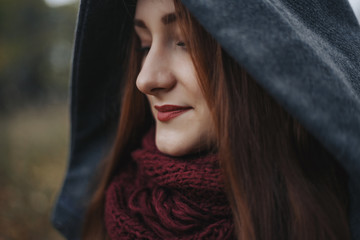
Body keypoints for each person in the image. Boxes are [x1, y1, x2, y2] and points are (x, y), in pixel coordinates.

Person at [52, 0, 360, 239]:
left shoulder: (330, 217)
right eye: (144, 45)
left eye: (185, 41)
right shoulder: (107, 213)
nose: (145, 79)